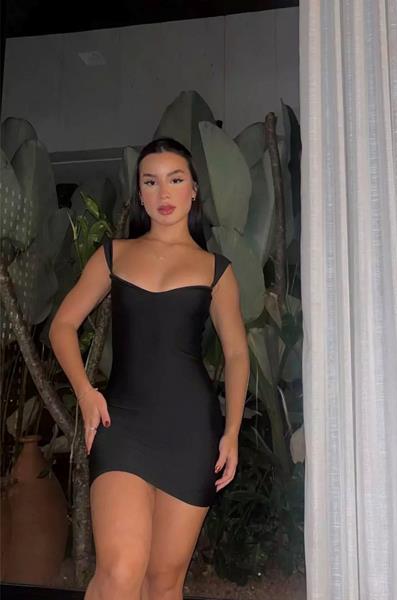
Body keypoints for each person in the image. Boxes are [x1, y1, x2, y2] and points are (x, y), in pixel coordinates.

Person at [49, 137, 250, 600]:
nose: (163, 193)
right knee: (121, 571)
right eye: (151, 182)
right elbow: (62, 325)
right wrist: (85, 393)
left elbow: (238, 355)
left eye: (175, 180)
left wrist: (232, 432)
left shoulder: (216, 270)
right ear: (139, 193)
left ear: (193, 190)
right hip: (122, 424)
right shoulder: (114, 254)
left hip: (191, 433)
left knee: (162, 584)